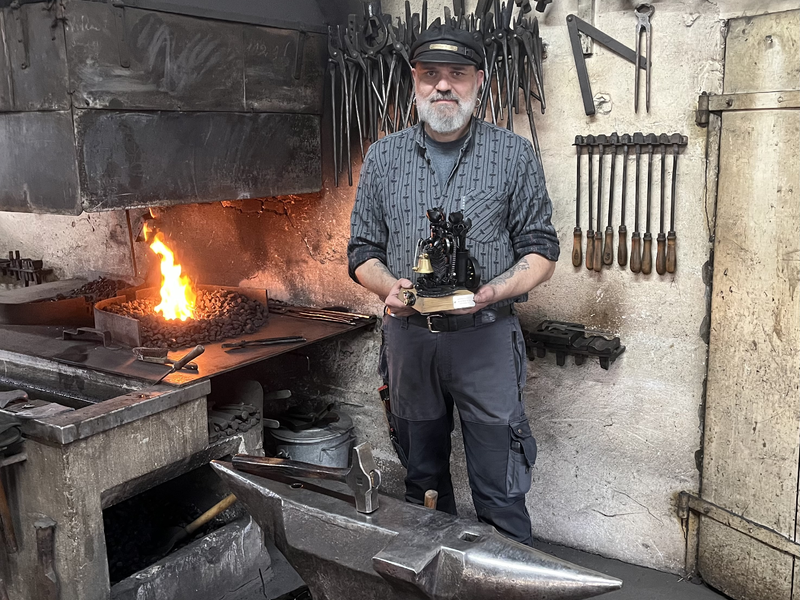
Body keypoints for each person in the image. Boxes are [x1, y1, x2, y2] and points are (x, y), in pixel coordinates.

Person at [347, 24, 560, 545]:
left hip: (485, 339)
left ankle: (505, 575)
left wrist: (493, 291)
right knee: (422, 478)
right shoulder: (382, 157)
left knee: (501, 483)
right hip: (409, 339)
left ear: (479, 82)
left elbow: (541, 250)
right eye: (430, 75)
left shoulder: (513, 155)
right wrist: (385, 287)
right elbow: (361, 252)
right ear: (413, 82)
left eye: (457, 75)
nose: (443, 86)